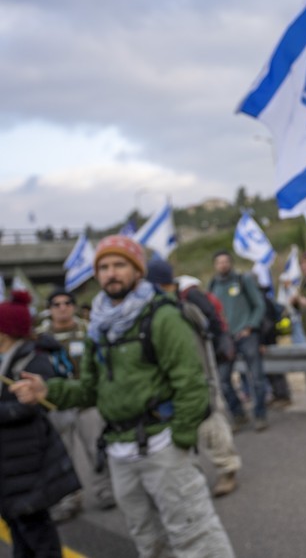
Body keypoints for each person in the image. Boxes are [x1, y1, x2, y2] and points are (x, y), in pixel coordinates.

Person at [11, 236, 235, 558]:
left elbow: (191, 383)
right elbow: (89, 388)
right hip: (119, 451)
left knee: (195, 536)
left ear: (137, 271)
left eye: (119, 265)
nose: (110, 273)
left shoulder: (162, 316)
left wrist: (180, 439)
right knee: (146, 540)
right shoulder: (98, 327)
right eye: (103, 267)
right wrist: (49, 391)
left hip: (163, 445)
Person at [146, 259, 242, 498]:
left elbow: (205, 336)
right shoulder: (149, 313)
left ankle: (227, 469)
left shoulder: (185, 306)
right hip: (172, 383)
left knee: (211, 423)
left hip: (201, 378)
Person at [0, 291, 80, 557]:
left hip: (27, 460)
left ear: (5, 332)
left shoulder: (31, 360)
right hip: (10, 465)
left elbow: (33, 406)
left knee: (38, 532)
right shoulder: (6, 361)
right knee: (19, 532)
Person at [34, 289, 115, 522]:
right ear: (49, 308)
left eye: (67, 303)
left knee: (96, 449)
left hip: (86, 403)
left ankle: (105, 491)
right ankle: (70, 499)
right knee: (63, 455)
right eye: (56, 304)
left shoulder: (87, 329)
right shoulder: (40, 337)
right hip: (56, 404)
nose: (62, 307)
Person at [208, 250, 268, 432]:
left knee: (256, 377)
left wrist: (250, 326)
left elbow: (259, 305)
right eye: (219, 262)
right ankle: (238, 414)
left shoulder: (243, 280)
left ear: (230, 263)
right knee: (223, 380)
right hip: (226, 339)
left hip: (247, 336)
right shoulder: (213, 285)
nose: (223, 265)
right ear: (215, 265)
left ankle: (259, 416)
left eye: (226, 261)